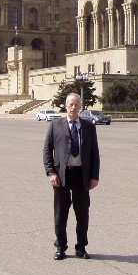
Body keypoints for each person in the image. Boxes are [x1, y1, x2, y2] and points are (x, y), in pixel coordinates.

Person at [43, 93, 100, 260]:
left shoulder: (88, 126)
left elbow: (94, 153)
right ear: (65, 105)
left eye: (76, 104)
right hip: (62, 175)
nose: (73, 107)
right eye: (70, 104)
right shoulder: (55, 125)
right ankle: (60, 247)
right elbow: (47, 151)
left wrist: (94, 176)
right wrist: (51, 172)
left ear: (80, 106)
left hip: (81, 175)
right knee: (61, 214)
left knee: (82, 213)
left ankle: (81, 247)